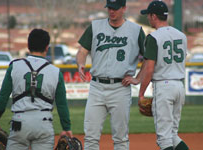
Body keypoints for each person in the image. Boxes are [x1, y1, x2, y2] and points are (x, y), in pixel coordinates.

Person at [76, 0, 145, 149]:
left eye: (115, 8)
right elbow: (82, 51)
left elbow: (149, 58)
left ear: (124, 8)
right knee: (90, 137)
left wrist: (138, 78)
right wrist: (81, 63)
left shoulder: (135, 30)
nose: (111, 11)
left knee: (120, 138)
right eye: (109, 8)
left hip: (120, 87)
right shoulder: (95, 26)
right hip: (97, 87)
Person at [0, 29, 73, 150]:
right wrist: (66, 128)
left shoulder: (14, 66)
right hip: (44, 124)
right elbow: (62, 105)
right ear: (47, 48)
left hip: (19, 123)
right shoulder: (56, 72)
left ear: (28, 46)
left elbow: (2, 98)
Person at [127, 1, 189, 150]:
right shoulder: (181, 35)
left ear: (154, 16)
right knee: (173, 134)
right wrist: (137, 78)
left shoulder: (154, 37)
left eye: (149, 15)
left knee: (164, 139)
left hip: (164, 86)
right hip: (180, 87)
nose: (148, 18)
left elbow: (149, 69)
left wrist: (141, 94)